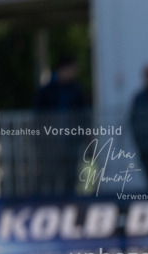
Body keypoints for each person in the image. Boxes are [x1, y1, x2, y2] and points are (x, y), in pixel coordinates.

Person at [33, 55, 89, 195]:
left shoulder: (77, 91)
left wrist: (82, 137)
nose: (74, 72)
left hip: (71, 143)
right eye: (72, 69)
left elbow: (83, 117)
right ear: (62, 69)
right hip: (50, 144)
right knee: (50, 179)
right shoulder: (46, 92)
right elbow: (38, 118)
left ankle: (69, 204)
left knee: (70, 180)